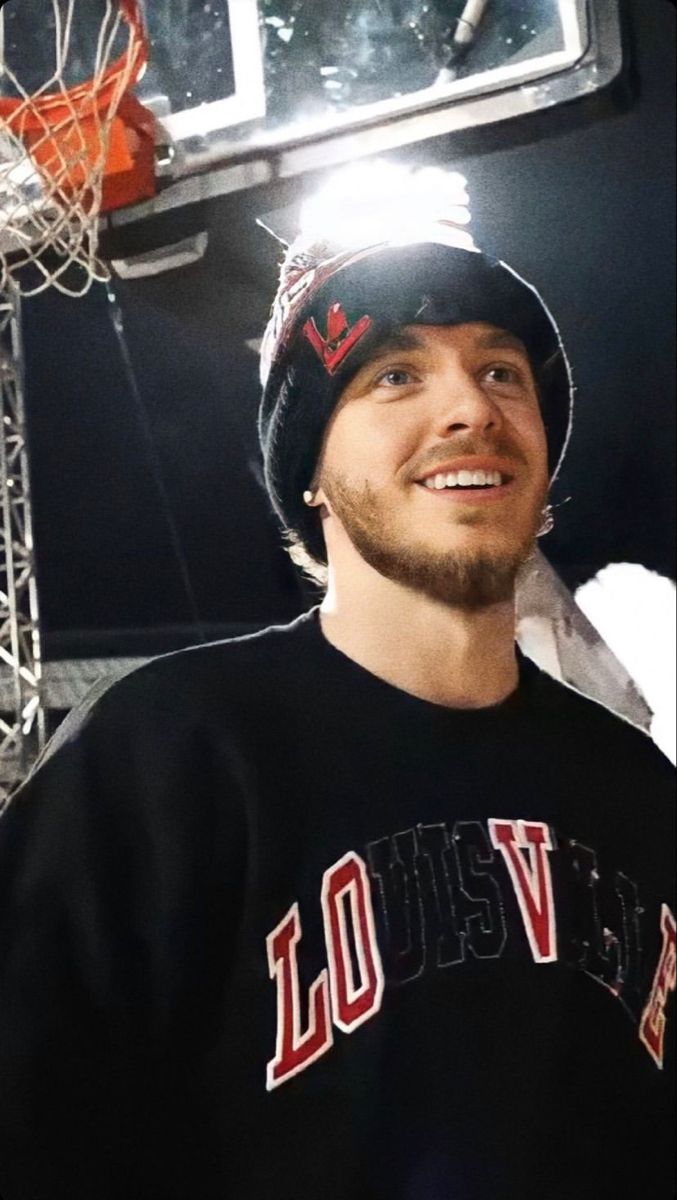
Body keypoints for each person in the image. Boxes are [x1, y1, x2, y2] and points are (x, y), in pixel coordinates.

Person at [0, 223, 673, 1200]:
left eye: (499, 372)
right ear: (309, 470)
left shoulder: (638, 793)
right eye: (393, 376)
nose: (467, 408)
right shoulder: (165, 757)